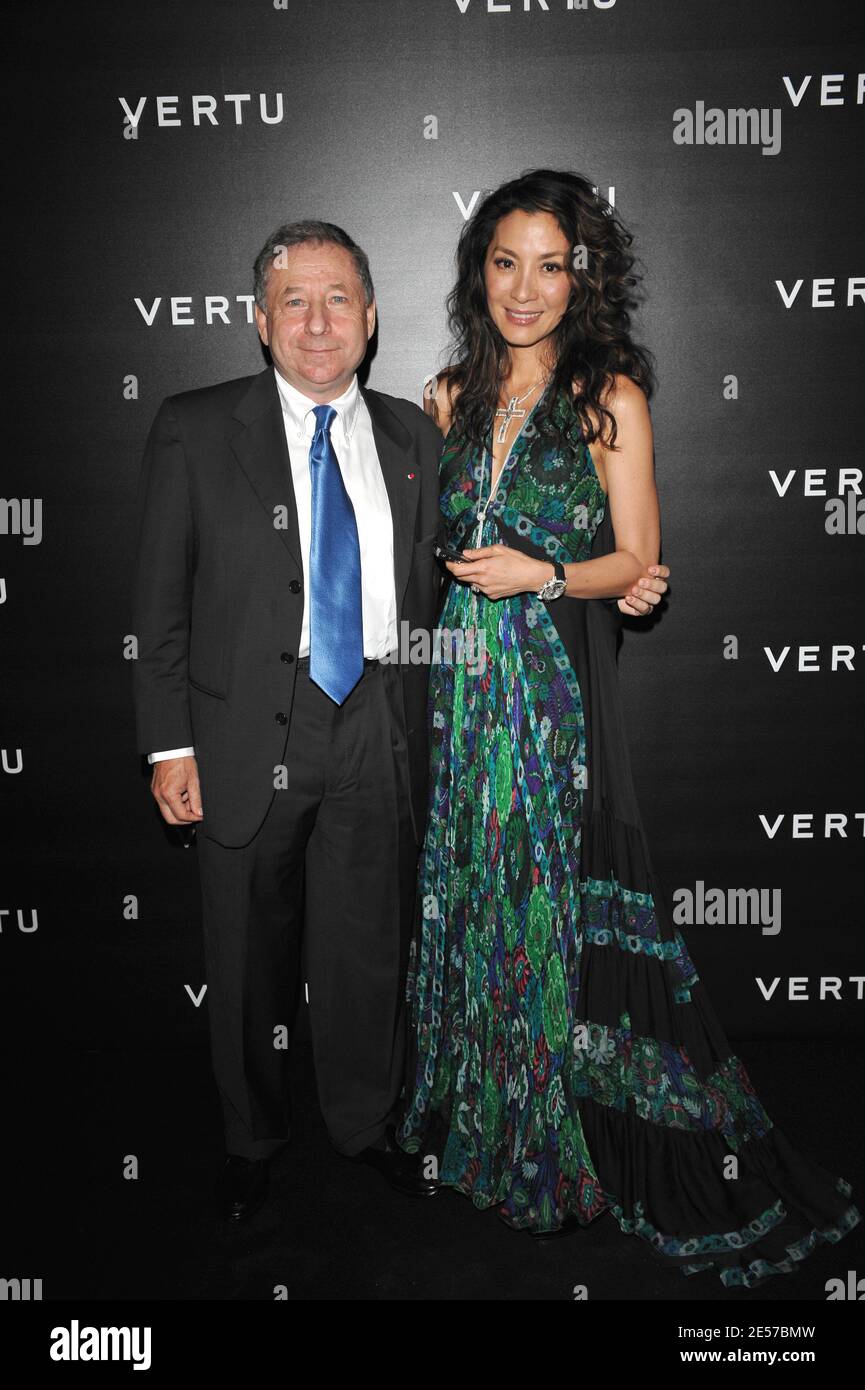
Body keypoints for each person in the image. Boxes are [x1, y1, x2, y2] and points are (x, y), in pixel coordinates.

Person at [398, 170, 861, 1289]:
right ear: (480, 273)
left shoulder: (610, 393)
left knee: (547, 903)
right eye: (505, 262)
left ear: (580, 277)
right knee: (472, 892)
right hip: (458, 694)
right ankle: (481, 1122)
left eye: (549, 265)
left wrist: (546, 571)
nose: (524, 288)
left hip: (550, 696)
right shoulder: (446, 397)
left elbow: (637, 559)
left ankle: (558, 1144)